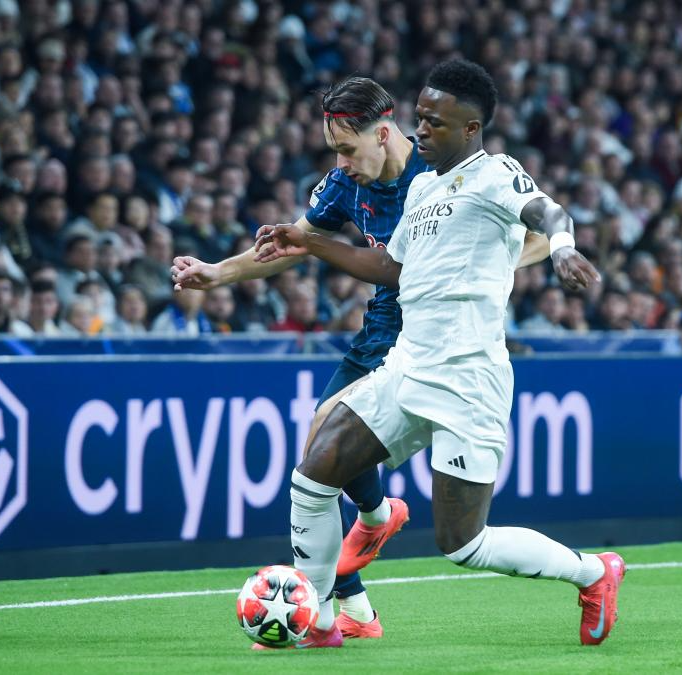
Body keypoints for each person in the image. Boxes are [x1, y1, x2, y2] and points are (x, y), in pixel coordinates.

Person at [253, 59, 623, 649]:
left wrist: (560, 247)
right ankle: (319, 623)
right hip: (407, 366)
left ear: (471, 129)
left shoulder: (494, 173)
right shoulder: (423, 187)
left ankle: (593, 572)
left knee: (462, 544)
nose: (420, 129)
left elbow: (549, 212)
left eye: (435, 122)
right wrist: (309, 241)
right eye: (420, 117)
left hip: (467, 380)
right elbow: (389, 267)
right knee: (314, 474)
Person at [172, 75, 553, 641]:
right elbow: (293, 244)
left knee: (323, 447)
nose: (341, 163)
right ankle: (363, 572)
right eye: (334, 151)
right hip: (382, 331)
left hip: (438, 337)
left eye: (347, 149)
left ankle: (353, 574)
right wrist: (218, 272)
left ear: (383, 132)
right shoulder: (344, 185)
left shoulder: (442, 168)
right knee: (319, 459)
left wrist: (474, 267)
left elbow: (536, 234)